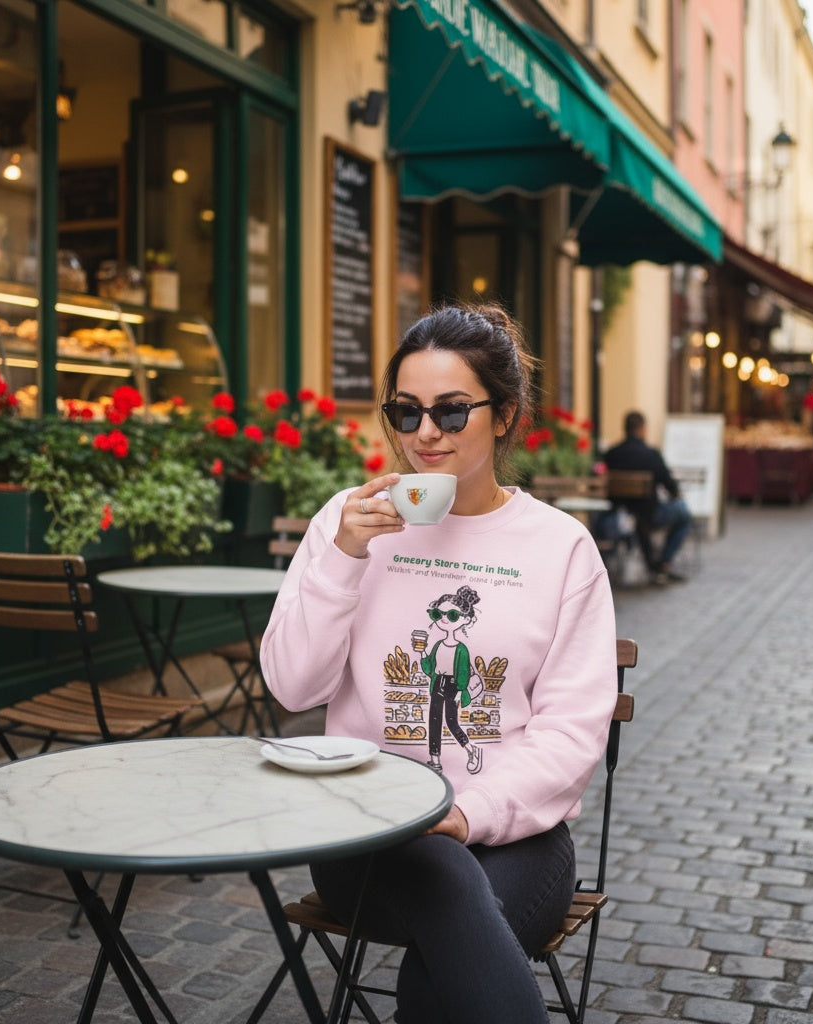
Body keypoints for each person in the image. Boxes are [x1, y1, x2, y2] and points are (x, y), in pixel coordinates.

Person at [260, 303, 619, 1024]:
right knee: (448, 900)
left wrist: (465, 813)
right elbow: (292, 685)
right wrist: (344, 560)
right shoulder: (350, 522)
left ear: (505, 414)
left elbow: (572, 733)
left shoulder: (559, 547)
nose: (424, 434)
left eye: (452, 413)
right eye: (406, 411)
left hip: (517, 837)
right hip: (363, 832)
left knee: (445, 929)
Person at [602, 410, 693, 584]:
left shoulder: (612, 453)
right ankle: (664, 563)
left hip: (620, 513)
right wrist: (675, 494)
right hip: (649, 514)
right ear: (643, 429)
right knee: (684, 515)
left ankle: (654, 563)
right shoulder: (651, 454)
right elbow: (671, 487)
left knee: (640, 520)